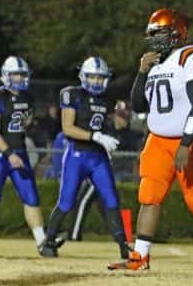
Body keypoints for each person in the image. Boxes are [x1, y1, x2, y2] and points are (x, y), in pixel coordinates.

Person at [109, 8, 193, 273]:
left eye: (160, 33)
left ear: (177, 32)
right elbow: (137, 105)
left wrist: (186, 142)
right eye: (153, 34)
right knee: (149, 195)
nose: (155, 39)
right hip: (158, 139)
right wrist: (142, 72)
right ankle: (139, 258)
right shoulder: (156, 63)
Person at [39, 57, 130, 260]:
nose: (97, 81)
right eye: (93, 77)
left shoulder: (108, 99)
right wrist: (95, 136)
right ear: (83, 77)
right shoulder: (72, 94)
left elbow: (109, 124)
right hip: (77, 155)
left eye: (100, 78)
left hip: (98, 157)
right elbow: (68, 128)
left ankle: (124, 246)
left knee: (112, 199)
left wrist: (109, 136)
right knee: (67, 201)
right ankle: (49, 241)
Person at [0, 56, 49, 254]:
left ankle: (42, 242)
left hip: (20, 151)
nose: (19, 78)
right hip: (0, 154)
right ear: (6, 75)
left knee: (31, 196)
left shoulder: (27, 97)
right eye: (15, 74)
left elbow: (27, 121)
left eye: (22, 74)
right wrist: (9, 154)